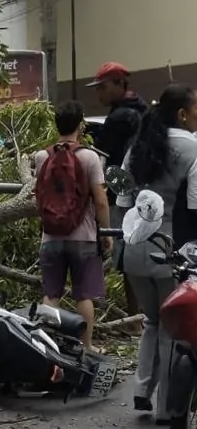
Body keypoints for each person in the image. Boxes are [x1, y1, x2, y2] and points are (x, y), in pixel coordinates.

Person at [117, 83, 197, 421]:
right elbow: (195, 208)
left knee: (151, 321)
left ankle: (141, 389)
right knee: (172, 330)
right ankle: (167, 407)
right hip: (171, 252)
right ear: (182, 113)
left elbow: (121, 200)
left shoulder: (137, 144)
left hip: (133, 249)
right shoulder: (193, 148)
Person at [34, 100, 112, 349]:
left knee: (51, 295)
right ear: (81, 125)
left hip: (51, 236)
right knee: (84, 295)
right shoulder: (90, 157)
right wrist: (106, 232)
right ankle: (86, 346)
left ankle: (47, 347)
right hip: (84, 236)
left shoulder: (41, 156)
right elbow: (100, 201)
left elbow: (40, 196)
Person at [87, 61, 148, 322]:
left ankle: (135, 319)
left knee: (127, 258)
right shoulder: (142, 110)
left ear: (118, 85)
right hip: (147, 194)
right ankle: (146, 315)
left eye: (102, 87)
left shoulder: (119, 117)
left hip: (121, 195)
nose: (98, 93)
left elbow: (103, 158)